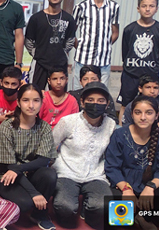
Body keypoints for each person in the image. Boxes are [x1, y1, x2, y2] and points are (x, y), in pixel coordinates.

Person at [105, 95, 159, 230]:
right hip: (123, 185)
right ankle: (129, 217)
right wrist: (126, 189)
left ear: (157, 115)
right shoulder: (120, 135)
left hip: (148, 186)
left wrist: (151, 186)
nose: (143, 117)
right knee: (107, 198)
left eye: (149, 113)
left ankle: (143, 215)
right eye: (138, 112)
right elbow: (112, 167)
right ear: (132, 114)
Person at [52, 82, 117, 229]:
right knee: (65, 207)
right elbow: (51, 145)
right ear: (82, 102)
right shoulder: (68, 122)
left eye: (101, 101)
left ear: (107, 104)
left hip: (96, 174)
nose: (95, 104)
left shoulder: (110, 124)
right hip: (67, 172)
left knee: (101, 206)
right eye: (90, 100)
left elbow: (112, 154)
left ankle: (87, 209)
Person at [0, 84, 57, 230]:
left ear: (42, 102)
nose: (31, 105)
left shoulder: (44, 127)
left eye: (36, 100)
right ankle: (2, 212)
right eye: (26, 100)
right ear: (18, 102)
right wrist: (34, 193)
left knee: (50, 174)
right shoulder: (7, 127)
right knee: (25, 203)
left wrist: (19, 168)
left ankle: (40, 214)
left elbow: (44, 160)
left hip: (28, 172)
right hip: (6, 175)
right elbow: (9, 166)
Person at [117, 0, 159, 118]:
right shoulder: (129, 29)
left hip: (150, 74)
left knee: (149, 105)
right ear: (138, 8)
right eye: (144, 6)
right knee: (126, 104)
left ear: (156, 9)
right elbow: (125, 51)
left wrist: (154, 67)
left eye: (151, 6)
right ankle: (122, 131)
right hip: (130, 74)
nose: (147, 9)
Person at [71, 0, 120, 90]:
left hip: (103, 62)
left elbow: (115, 32)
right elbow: (70, 32)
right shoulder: (81, 7)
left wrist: (105, 45)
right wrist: (81, 46)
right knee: (79, 94)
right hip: (82, 60)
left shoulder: (114, 7)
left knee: (101, 94)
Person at [25, 0, 76, 90]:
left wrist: (61, 52)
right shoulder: (36, 18)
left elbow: (71, 40)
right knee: (35, 93)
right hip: (40, 63)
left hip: (60, 63)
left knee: (59, 96)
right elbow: (28, 40)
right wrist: (37, 53)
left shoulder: (69, 19)